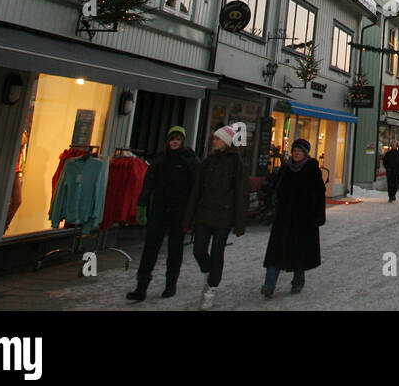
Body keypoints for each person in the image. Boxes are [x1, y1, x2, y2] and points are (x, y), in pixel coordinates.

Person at [127, 125, 199, 301]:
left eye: (178, 139)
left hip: (179, 212)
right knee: (150, 248)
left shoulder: (190, 161)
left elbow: (196, 189)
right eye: (172, 139)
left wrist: (193, 213)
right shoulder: (160, 160)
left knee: (175, 249)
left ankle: (170, 284)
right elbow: (148, 185)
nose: (174, 142)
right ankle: (141, 287)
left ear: (183, 141)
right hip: (159, 210)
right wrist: (142, 206)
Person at [184, 125, 248, 310]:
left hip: (224, 215)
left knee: (218, 251)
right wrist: (188, 218)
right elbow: (197, 190)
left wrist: (239, 223)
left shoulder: (236, 163)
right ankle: (210, 273)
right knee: (198, 249)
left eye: (217, 139)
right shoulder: (208, 162)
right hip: (204, 213)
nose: (214, 142)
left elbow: (240, 193)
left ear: (226, 142)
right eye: (214, 139)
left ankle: (211, 288)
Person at [261, 138, 326, 298]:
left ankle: (298, 280)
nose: (296, 153)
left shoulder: (312, 170)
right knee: (276, 253)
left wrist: (318, 216)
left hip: (303, 219)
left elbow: (319, 194)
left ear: (305, 154)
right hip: (283, 218)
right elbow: (274, 187)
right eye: (295, 151)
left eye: (300, 151)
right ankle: (269, 285)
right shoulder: (285, 169)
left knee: (298, 253)